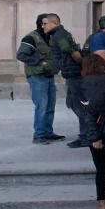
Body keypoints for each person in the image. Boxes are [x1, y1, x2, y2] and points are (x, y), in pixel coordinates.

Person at [16, 13, 65, 143]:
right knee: (41, 106)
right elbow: (21, 54)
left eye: (46, 23)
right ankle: (39, 135)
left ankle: (48, 132)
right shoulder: (31, 38)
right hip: (37, 76)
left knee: (50, 106)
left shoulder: (51, 37)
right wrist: (39, 61)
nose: (44, 26)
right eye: (42, 23)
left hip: (49, 75)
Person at [79, 47, 105, 209]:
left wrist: (94, 136)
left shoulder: (83, 84)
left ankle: (102, 201)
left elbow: (86, 113)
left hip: (98, 130)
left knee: (101, 168)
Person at [49, 21, 88, 148]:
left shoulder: (60, 35)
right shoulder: (60, 34)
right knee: (72, 104)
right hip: (71, 74)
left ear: (54, 23)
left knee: (79, 106)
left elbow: (73, 52)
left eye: (45, 23)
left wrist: (82, 64)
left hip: (74, 74)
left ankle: (86, 135)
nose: (43, 26)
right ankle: (85, 134)